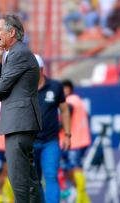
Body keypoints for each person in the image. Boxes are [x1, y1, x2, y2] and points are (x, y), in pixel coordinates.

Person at [0, 14, 42, 202]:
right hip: (20, 122)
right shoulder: (14, 54)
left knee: (19, 178)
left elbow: (0, 89)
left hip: (20, 123)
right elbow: (0, 90)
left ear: (12, 32)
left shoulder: (18, 53)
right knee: (29, 179)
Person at [34, 54, 71, 203]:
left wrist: (67, 135)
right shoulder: (23, 88)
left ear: (41, 69)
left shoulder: (55, 86)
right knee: (34, 181)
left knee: (51, 175)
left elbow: (64, 110)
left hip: (50, 141)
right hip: (29, 142)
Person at [60, 79, 91, 203]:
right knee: (70, 169)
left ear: (68, 89)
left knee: (75, 167)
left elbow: (67, 113)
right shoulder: (78, 100)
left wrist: (54, 127)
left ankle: (80, 196)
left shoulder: (70, 100)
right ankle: (84, 199)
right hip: (75, 141)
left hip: (74, 141)